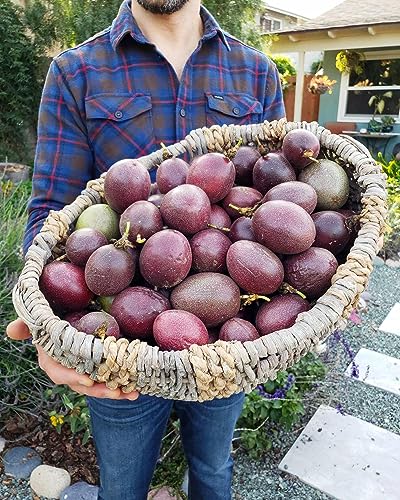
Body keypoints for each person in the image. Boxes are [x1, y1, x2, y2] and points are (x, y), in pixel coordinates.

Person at [7, 1, 285, 498]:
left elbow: (278, 186)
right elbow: (50, 211)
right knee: (121, 485)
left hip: (228, 340)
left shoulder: (256, 72)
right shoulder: (76, 72)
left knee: (213, 470)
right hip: (118, 343)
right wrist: (45, 322)